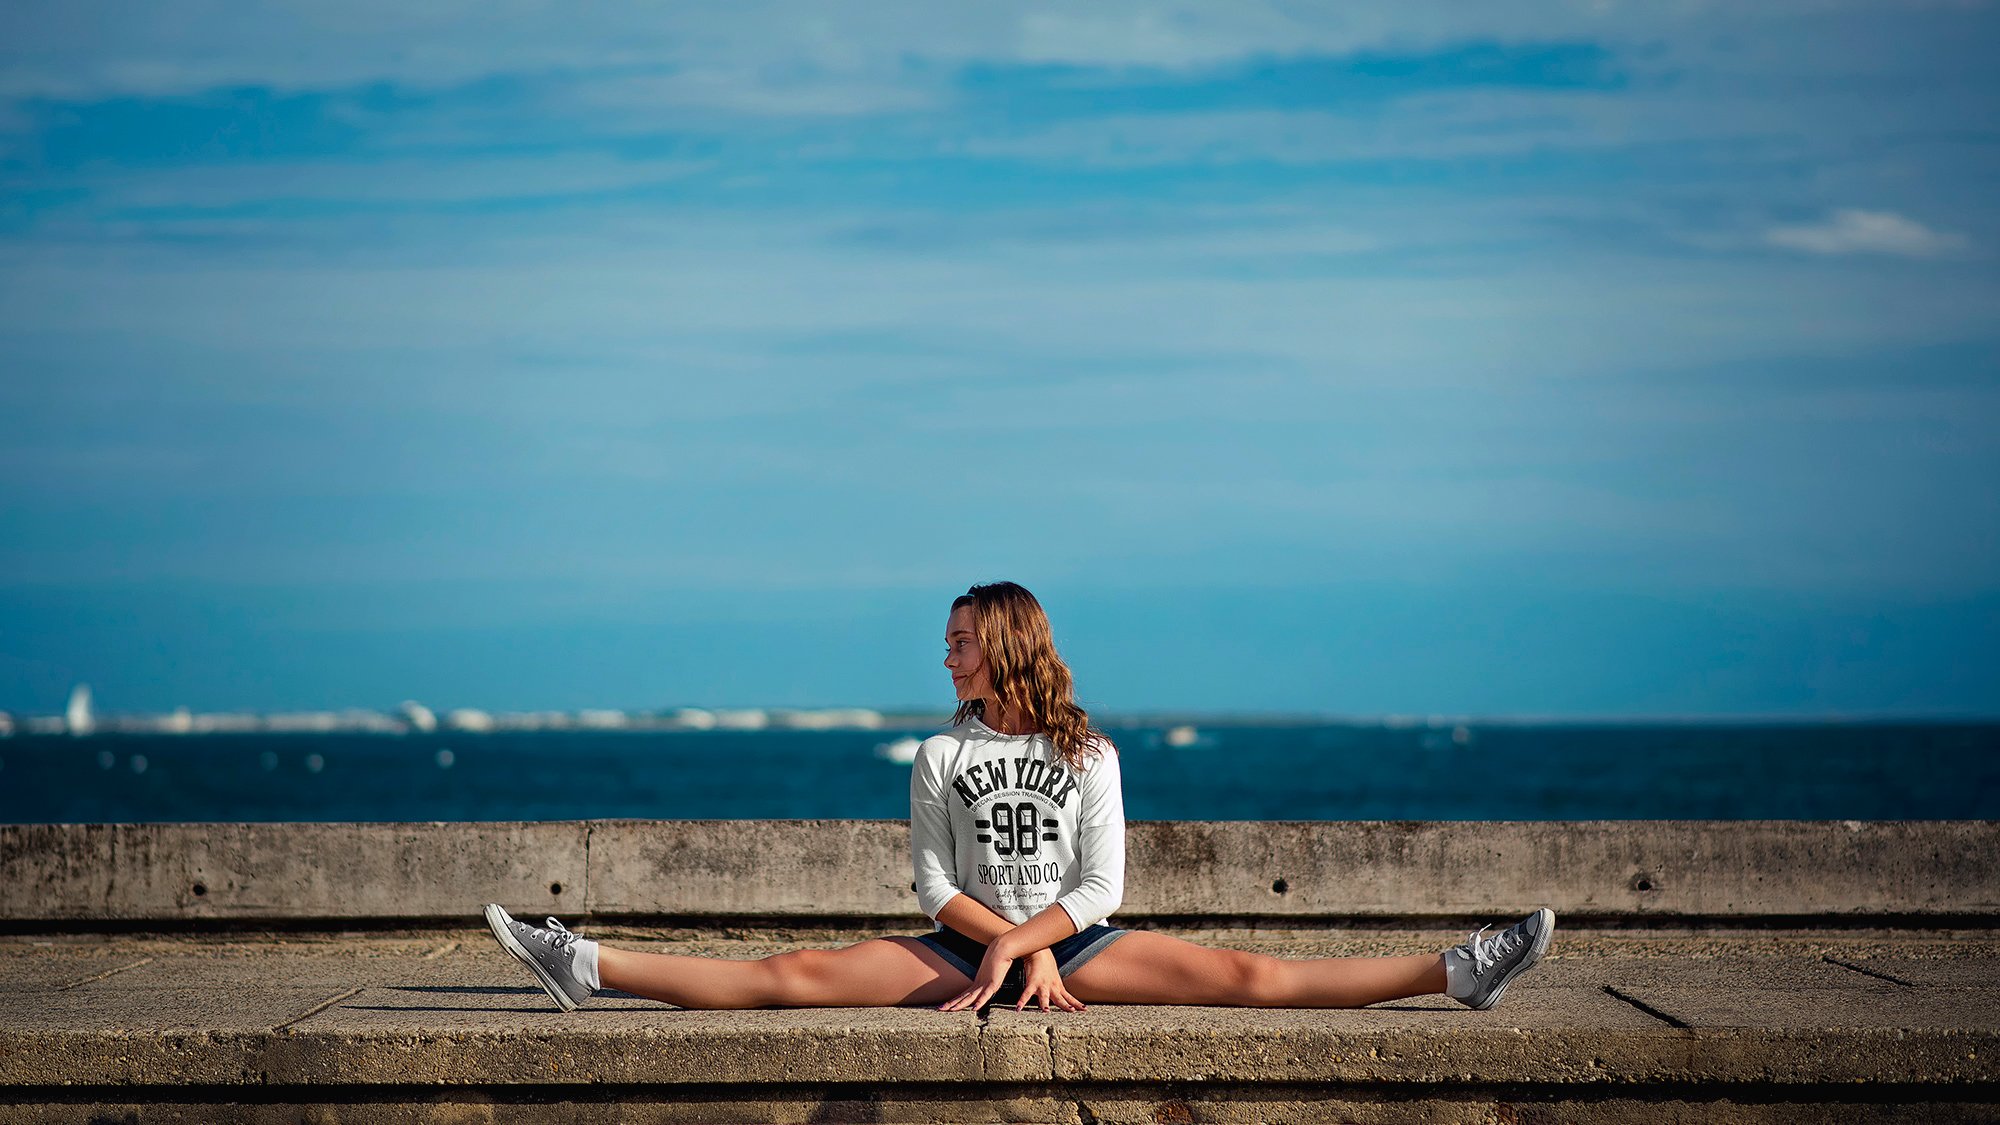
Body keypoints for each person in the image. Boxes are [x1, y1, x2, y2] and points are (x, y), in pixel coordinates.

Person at [483, 580, 1554, 1013]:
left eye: (957, 641)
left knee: (1250, 973)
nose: (943, 656)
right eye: (945, 642)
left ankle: (1457, 970)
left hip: (1074, 940)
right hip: (966, 944)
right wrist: (1007, 947)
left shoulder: (1089, 752)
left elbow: (1102, 884)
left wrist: (1037, 944)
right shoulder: (936, 758)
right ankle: (582, 963)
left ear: (1000, 646)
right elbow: (934, 884)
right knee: (788, 975)